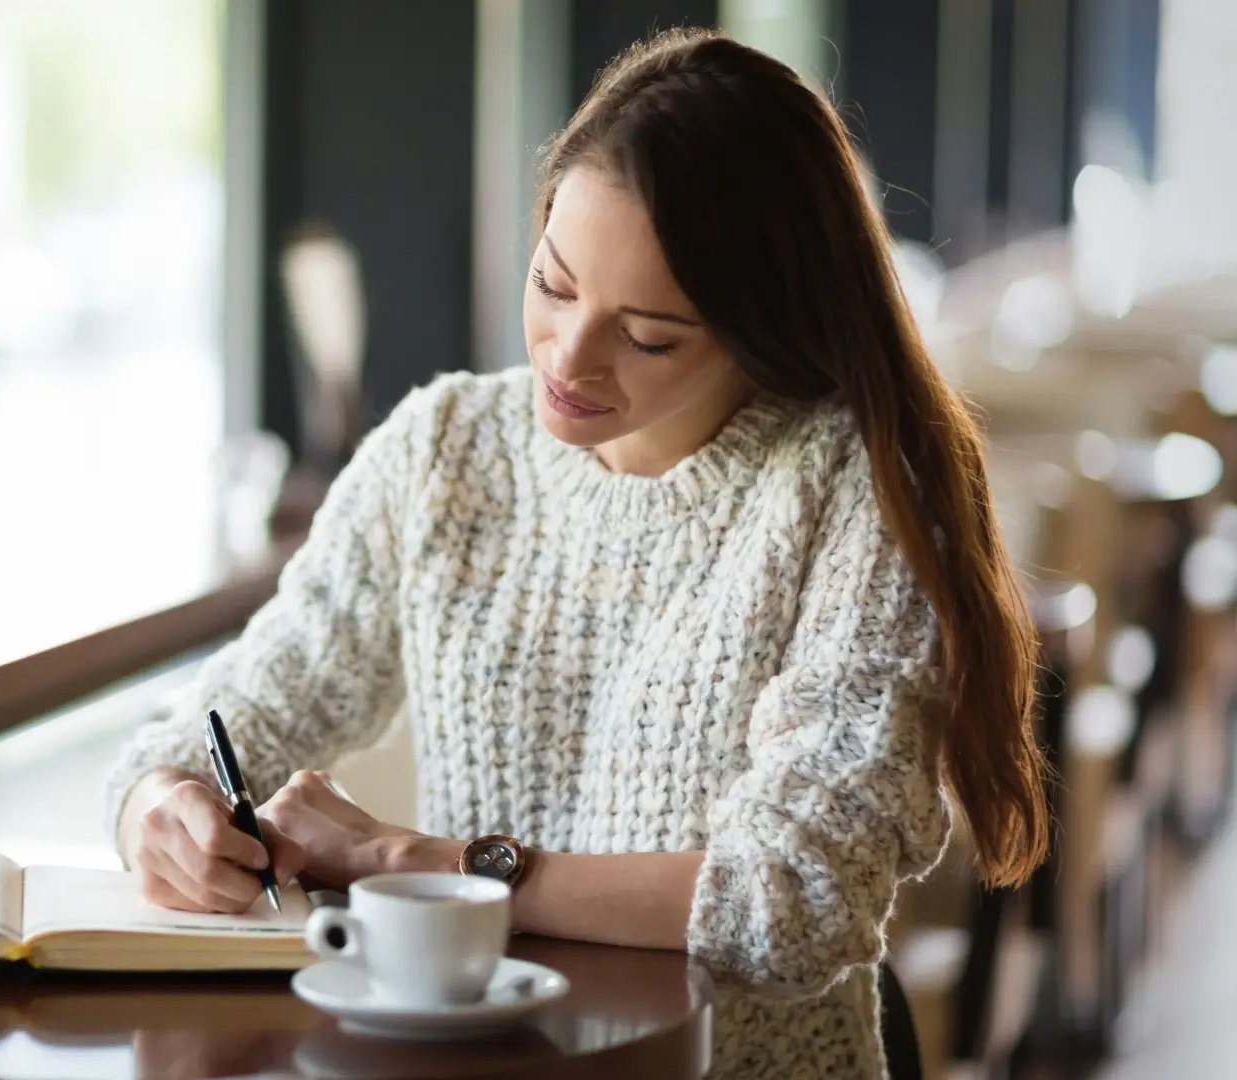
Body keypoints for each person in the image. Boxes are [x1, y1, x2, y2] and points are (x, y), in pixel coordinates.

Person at [106, 27, 1048, 1079]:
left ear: (761, 327)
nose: (569, 357)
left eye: (646, 336)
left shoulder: (852, 490)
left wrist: (417, 863)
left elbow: (794, 898)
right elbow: (216, 730)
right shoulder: (445, 451)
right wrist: (161, 808)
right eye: (553, 285)